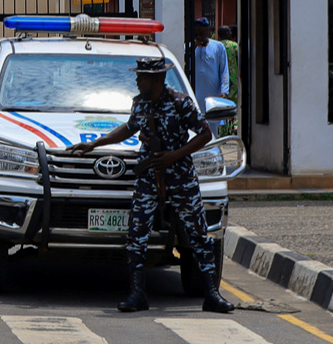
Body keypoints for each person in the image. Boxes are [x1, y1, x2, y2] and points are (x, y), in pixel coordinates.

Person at [66, 57, 234, 314]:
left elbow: (204, 135)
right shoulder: (140, 103)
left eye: (142, 76)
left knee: (198, 234)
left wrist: (174, 156)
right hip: (148, 177)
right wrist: (95, 144)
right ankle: (137, 294)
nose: (137, 80)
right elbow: (128, 129)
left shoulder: (181, 103)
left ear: (157, 79)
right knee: (136, 234)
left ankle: (211, 294)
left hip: (180, 176)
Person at [192, 17, 229, 134]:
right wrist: (194, 47)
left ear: (208, 31)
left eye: (201, 33)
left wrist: (224, 91)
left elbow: (224, 71)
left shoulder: (218, 47)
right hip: (195, 98)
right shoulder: (189, 49)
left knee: (212, 132)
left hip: (212, 98)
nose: (199, 36)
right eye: (197, 34)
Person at [217, 25, 240, 137]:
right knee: (233, 104)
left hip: (220, 80)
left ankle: (223, 130)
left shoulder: (217, 46)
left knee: (222, 105)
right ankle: (233, 127)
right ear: (227, 33)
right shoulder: (234, 46)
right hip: (234, 79)